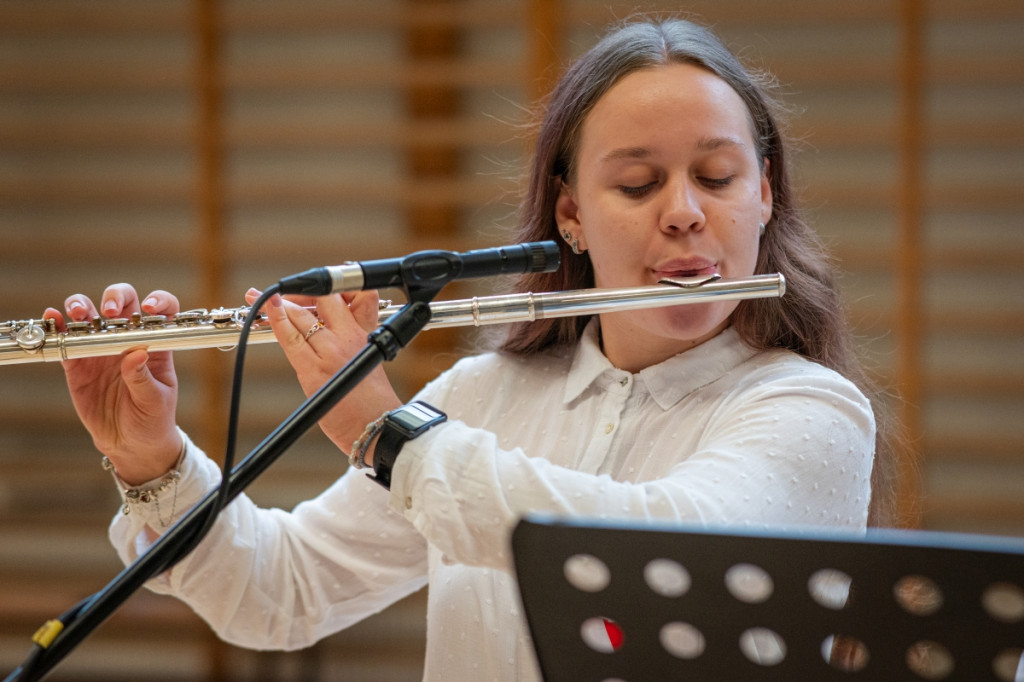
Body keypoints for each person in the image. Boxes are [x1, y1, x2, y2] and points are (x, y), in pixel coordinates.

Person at [45, 17, 900, 681]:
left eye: (716, 177)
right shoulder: (483, 396)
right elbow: (282, 593)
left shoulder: (808, 410)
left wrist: (387, 435)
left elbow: (665, 554)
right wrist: (150, 457)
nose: (682, 211)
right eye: (636, 184)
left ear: (764, 194)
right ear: (570, 215)